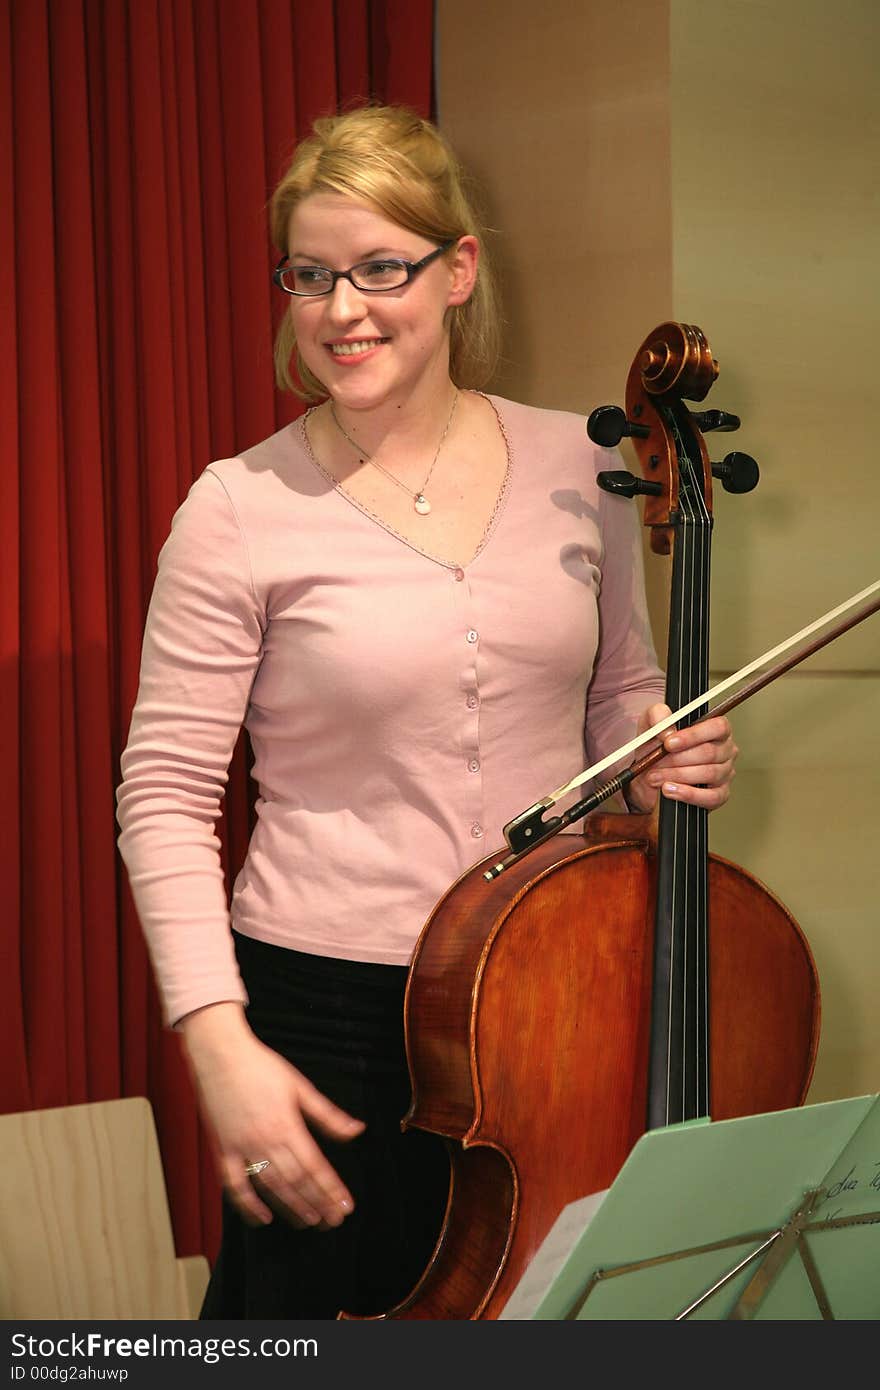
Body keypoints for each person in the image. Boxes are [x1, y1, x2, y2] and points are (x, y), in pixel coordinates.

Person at [116, 103, 738, 1320]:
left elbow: (620, 699)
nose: (342, 309)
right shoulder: (236, 507)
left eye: (379, 268)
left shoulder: (585, 465)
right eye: (311, 275)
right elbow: (165, 795)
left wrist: (658, 761)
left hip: (553, 995)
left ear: (456, 270)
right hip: (326, 1017)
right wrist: (219, 1045)